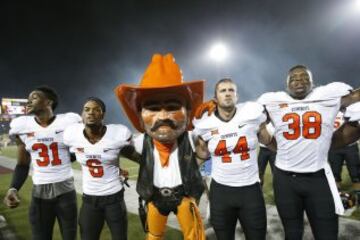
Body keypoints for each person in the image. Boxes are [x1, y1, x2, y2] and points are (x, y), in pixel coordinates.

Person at [257, 65, 360, 240]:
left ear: (313, 82)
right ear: (286, 84)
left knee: (327, 233)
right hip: (285, 180)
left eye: (304, 77)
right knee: (292, 233)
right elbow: (253, 121)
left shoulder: (328, 94)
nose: (299, 80)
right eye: (294, 78)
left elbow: (355, 96)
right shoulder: (273, 100)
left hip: (319, 177)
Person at [114, 53, 206, 240]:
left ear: (188, 112)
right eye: (153, 108)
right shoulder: (138, 142)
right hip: (154, 197)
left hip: (185, 196)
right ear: (139, 115)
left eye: (172, 106)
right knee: (154, 236)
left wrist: (216, 110)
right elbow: (107, 146)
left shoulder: (193, 136)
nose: (163, 116)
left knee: (195, 237)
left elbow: (225, 127)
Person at [193, 78, 274, 240]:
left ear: (237, 96)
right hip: (221, 192)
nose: (228, 93)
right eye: (223, 91)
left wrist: (263, 123)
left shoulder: (251, 114)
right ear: (215, 98)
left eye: (231, 90)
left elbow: (267, 141)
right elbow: (202, 155)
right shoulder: (205, 123)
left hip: (250, 190)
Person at [3, 86, 80, 240]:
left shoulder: (68, 122)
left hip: (66, 191)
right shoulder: (22, 126)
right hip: (40, 193)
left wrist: (71, 154)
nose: (29, 100)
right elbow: (23, 164)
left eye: (35, 97)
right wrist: (13, 188)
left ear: (48, 102)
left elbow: (82, 148)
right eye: (29, 97)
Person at [63, 97, 131, 240]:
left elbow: (139, 158)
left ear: (103, 114)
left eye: (96, 109)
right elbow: (78, 154)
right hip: (90, 200)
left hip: (114, 199)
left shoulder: (117, 134)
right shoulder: (73, 135)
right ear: (82, 114)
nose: (90, 113)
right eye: (86, 109)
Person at [328, 111, 360, 191]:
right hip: (334, 146)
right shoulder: (328, 111)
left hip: (350, 145)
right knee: (335, 173)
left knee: (355, 173)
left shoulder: (353, 111)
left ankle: (357, 195)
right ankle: (338, 197)